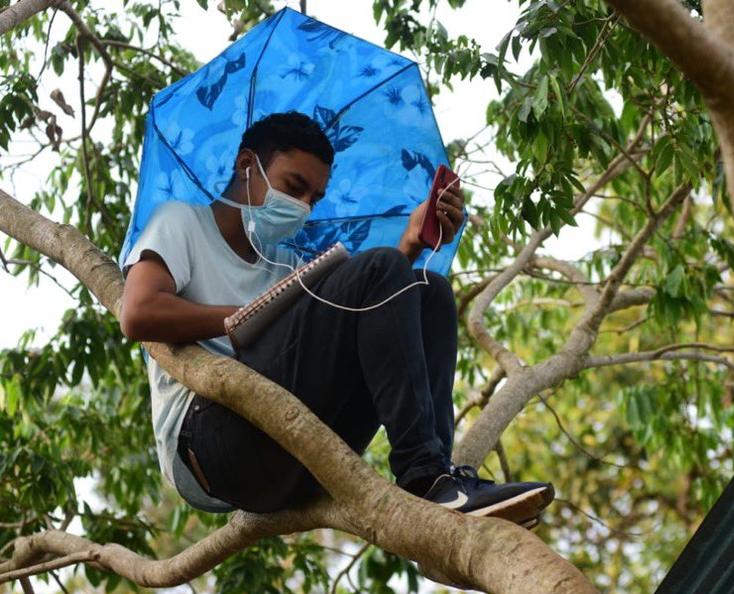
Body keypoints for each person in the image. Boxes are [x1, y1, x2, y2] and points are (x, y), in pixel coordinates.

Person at [120, 111, 554, 527]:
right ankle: (425, 478)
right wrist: (240, 318)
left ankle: (440, 475)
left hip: (298, 452)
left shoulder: (286, 264)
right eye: (294, 186)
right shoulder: (183, 222)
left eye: (314, 198)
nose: (303, 206)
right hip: (216, 446)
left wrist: (410, 246)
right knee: (381, 268)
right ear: (247, 165)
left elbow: (349, 323)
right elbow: (138, 313)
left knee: (428, 289)